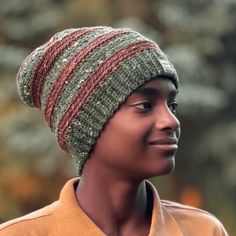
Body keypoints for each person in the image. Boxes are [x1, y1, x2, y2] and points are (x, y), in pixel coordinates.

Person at [0, 26, 228, 236]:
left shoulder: (203, 230)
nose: (171, 121)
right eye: (145, 105)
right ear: (87, 125)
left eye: (172, 105)